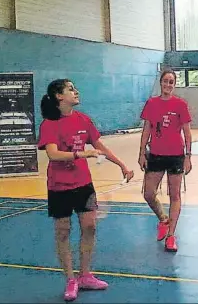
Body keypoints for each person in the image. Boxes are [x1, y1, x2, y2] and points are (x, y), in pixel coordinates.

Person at [37, 78, 134, 301]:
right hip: (59, 186)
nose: (76, 91)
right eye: (70, 89)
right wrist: (81, 154)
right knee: (63, 231)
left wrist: (122, 166)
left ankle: (86, 275)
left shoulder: (84, 120)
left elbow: (100, 146)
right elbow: (52, 154)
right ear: (59, 96)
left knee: (89, 227)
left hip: (83, 184)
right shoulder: (49, 124)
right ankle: (71, 279)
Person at [138, 69, 192, 253]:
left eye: (171, 82)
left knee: (174, 195)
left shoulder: (181, 105)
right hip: (156, 155)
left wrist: (188, 157)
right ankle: (163, 219)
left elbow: (187, 132)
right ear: (160, 83)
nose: (168, 85)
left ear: (174, 85)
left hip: (176, 155)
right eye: (165, 81)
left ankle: (171, 236)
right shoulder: (151, 104)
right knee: (148, 193)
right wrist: (141, 153)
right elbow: (146, 129)